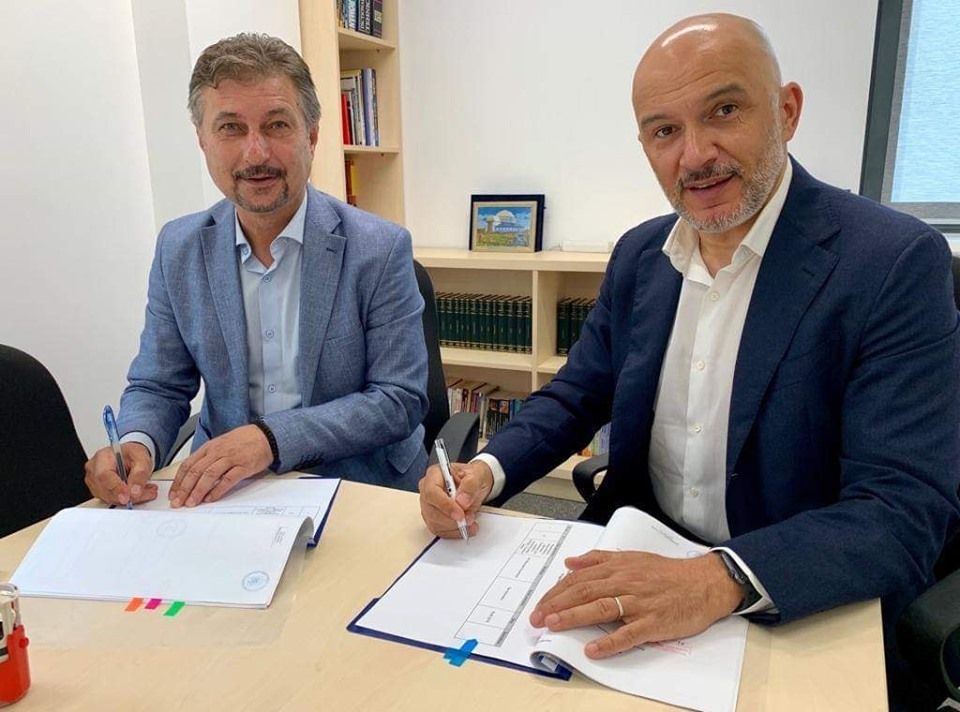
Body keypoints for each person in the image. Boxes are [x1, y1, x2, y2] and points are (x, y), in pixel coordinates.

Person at [418, 13, 960, 709]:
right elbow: (576, 394)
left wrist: (717, 578)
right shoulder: (641, 255)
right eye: (664, 131)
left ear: (787, 112)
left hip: (796, 596)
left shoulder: (891, 263)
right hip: (637, 556)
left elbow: (902, 508)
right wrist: (484, 473)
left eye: (724, 111)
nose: (695, 155)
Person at [85, 33, 429, 508]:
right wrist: (136, 443)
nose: (256, 154)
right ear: (203, 140)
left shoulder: (380, 248)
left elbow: (398, 400)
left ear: (311, 136)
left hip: (360, 488)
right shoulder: (178, 248)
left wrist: (270, 438)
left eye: (277, 125)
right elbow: (159, 384)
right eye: (230, 128)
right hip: (229, 494)